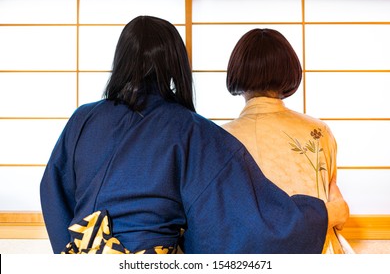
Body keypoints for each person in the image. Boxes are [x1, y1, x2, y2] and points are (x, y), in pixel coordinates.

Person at [40, 16, 349, 254]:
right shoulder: (190, 128)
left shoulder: (83, 118)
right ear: (176, 64)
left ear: (120, 60)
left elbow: (53, 193)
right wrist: (322, 213)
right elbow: (248, 225)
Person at [222, 28, 353, 254]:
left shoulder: (220, 137)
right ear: (288, 71)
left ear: (237, 72)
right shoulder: (318, 131)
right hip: (316, 251)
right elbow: (339, 213)